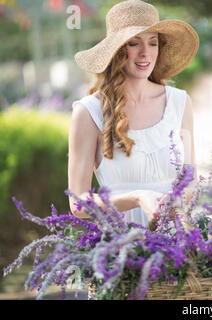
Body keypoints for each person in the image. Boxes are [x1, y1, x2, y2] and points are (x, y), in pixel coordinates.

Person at [68, 0, 199, 228]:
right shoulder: (89, 112)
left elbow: (191, 183)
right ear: (117, 51)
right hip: (120, 248)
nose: (145, 53)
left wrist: (173, 202)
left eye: (153, 43)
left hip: (179, 240)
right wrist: (138, 198)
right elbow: (78, 203)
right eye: (134, 43)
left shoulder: (179, 102)